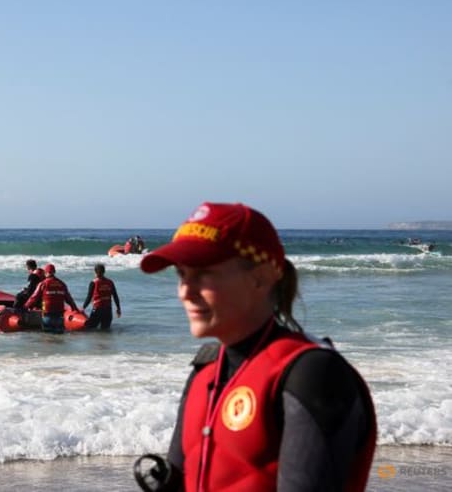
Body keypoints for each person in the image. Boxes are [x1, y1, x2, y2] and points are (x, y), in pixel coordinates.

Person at [134, 202, 376, 492]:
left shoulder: (312, 374)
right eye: (182, 275)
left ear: (260, 277)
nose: (186, 291)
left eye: (203, 273)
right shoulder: (205, 371)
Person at [25, 263, 79, 334]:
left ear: (45, 273)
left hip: (47, 314)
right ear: (54, 272)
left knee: (48, 338)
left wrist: (25, 306)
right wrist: (75, 308)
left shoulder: (43, 284)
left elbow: (34, 297)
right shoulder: (62, 284)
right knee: (59, 337)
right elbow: (69, 299)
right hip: (59, 315)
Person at [82, 263, 122, 330]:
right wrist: (118, 308)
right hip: (108, 310)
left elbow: (89, 297)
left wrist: (83, 308)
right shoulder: (110, 282)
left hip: (97, 309)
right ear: (104, 272)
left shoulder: (94, 282)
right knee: (105, 330)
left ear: (95, 272)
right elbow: (115, 296)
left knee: (90, 329)